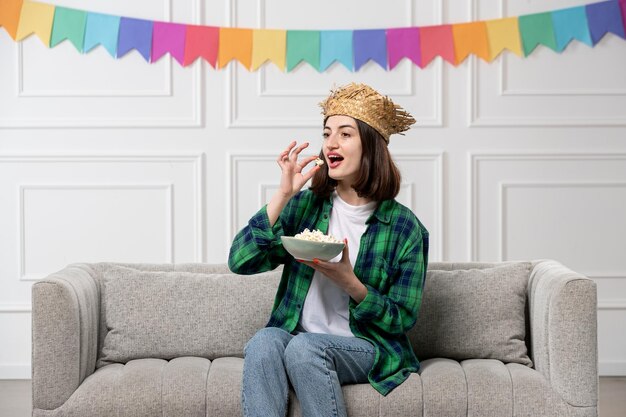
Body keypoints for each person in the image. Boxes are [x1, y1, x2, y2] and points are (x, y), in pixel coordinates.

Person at [228, 83, 429, 417]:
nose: (331, 143)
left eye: (345, 134)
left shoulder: (405, 229)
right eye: (327, 133)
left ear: (371, 148)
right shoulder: (307, 207)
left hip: (366, 346)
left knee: (305, 349)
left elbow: (401, 320)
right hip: (298, 333)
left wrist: (351, 283)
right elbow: (239, 261)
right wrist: (283, 196)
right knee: (265, 340)